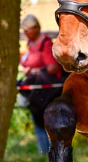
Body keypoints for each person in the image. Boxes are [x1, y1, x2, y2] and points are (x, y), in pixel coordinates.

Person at [18, 14, 66, 153]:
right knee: (37, 119)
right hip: (37, 91)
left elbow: (52, 67)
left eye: (28, 30)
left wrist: (34, 71)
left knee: (45, 120)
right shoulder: (31, 43)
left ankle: (48, 151)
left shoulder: (45, 45)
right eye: (24, 30)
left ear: (36, 28)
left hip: (47, 92)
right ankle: (43, 151)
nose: (26, 33)